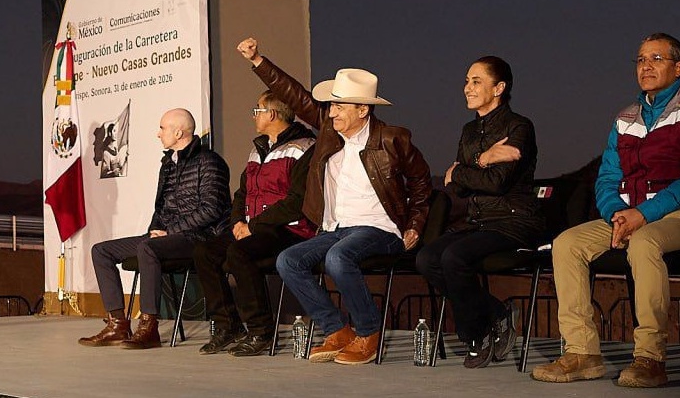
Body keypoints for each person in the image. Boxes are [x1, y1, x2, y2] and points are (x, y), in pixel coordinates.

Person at [237, 37, 432, 365]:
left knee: (338, 258)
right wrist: (258, 60)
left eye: (340, 107)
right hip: (336, 228)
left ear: (363, 110)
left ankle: (368, 332)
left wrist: (414, 224)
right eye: (331, 106)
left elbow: (422, 182)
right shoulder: (330, 131)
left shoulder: (391, 139)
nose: (332, 112)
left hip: (378, 227)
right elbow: (294, 95)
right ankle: (337, 330)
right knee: (288, 261)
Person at [532, 33, 680, 387]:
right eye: (641, 59)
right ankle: (582, 353)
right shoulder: (625, 117)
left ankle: (650, 358)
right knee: (568, 244)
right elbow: (608, 177)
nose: (646, 66)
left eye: (656, 59)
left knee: (644, 242)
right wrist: (617, 213)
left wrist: (644, 214)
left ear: (679, 67)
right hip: (629, 216)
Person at [415, 56, 543, 368]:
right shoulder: (469, 130)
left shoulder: (519, 127)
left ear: (498, 88)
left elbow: (497, 183)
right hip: (479, 222)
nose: (467, 88)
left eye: (476, 81)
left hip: (513, 220)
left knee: (454, 257)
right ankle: (496, 314)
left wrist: (466, 168)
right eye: (466, 81)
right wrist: (480, 162)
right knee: (427, 259)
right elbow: (457, 189)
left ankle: (474, 336)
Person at [78, 108, 231, 349]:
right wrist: (156, 229)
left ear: (178, 132)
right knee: (101, 251)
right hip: (166, 236)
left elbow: (212, 210)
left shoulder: (210, 162)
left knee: (148, 248)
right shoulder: (168, 164)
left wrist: (170, 232)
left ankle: (149, 327)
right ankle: (118, 325)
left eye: (162, 128)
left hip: (199, 237)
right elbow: (160, 208)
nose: (158, 134)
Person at [193, 90, 316, 357]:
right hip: (254, 227)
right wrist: (238, 222)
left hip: (289, 229)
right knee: (205, 251)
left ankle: (261, 332)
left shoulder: (304, 148)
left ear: (272, 114)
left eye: (257, 110)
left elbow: (297, 202)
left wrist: (254, 226)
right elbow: (241, 194)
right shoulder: (257, 149)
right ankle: (228, 326)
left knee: (240, 252)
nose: (254, 116)